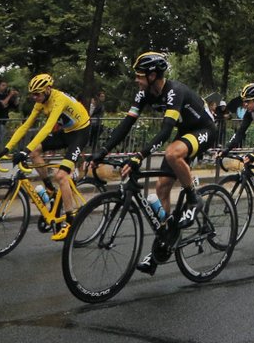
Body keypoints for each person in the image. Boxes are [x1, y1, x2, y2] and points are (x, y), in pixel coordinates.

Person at [90, 51, 216, 276]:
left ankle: (194, 199)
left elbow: (166, 129)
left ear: (153, 75)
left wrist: (140, 155)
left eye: (140, 76)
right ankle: (164, 243)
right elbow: (126, 124)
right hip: (185, 132)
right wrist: (102, 151)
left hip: (204, 129)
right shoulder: (143, 94)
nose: (136, 80)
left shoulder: (174, 91)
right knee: (161, 188)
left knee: (172, 153)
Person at [0, 73, 90, 240]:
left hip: (80, 133)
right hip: (66, 132)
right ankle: (50, 189)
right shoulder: (40, 102)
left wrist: (25, 151)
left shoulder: (59, 99)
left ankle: (70, 222)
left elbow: (47, 128)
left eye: (37, 94)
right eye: (32, 94)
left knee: (61, 175)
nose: (34, 97)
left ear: (48, 90)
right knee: (36, 151)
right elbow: (25, 126)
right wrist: (6, 149)